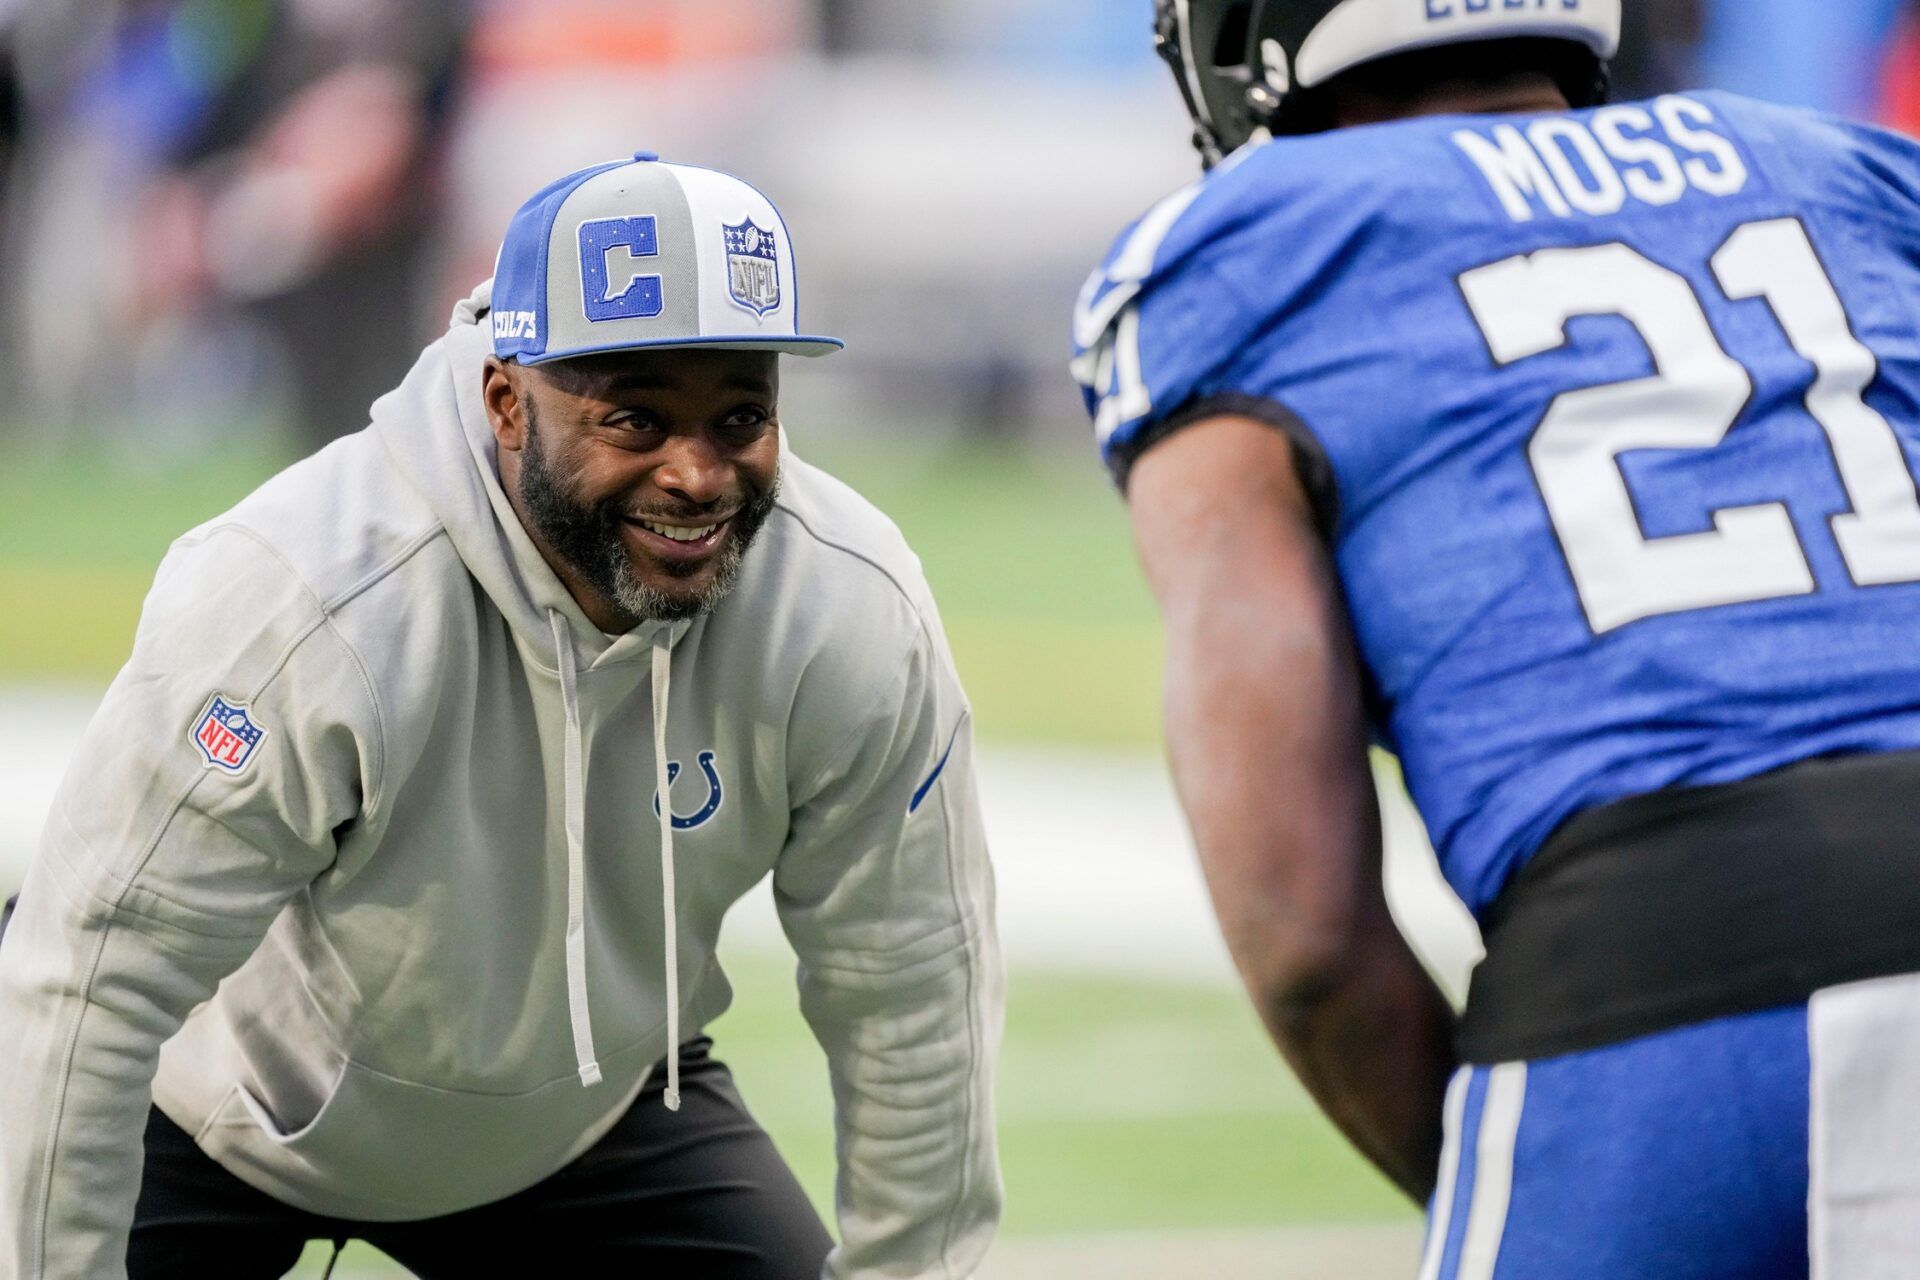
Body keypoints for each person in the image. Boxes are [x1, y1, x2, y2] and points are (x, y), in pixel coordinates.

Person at [0, 154, 1002, 1279]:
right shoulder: (306, 596)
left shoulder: (845, 609)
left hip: (580, 1123)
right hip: (198, 1109)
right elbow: (90, 974)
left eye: (740, 414)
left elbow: (913, 981)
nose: (699, 472)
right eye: (635, 415)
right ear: (505, 401)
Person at [1074, 4, 1920, 1277]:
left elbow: (1303, 931)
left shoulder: (1248, 252)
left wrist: (1515, 1179)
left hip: (1657, 952)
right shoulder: (1857, 174)